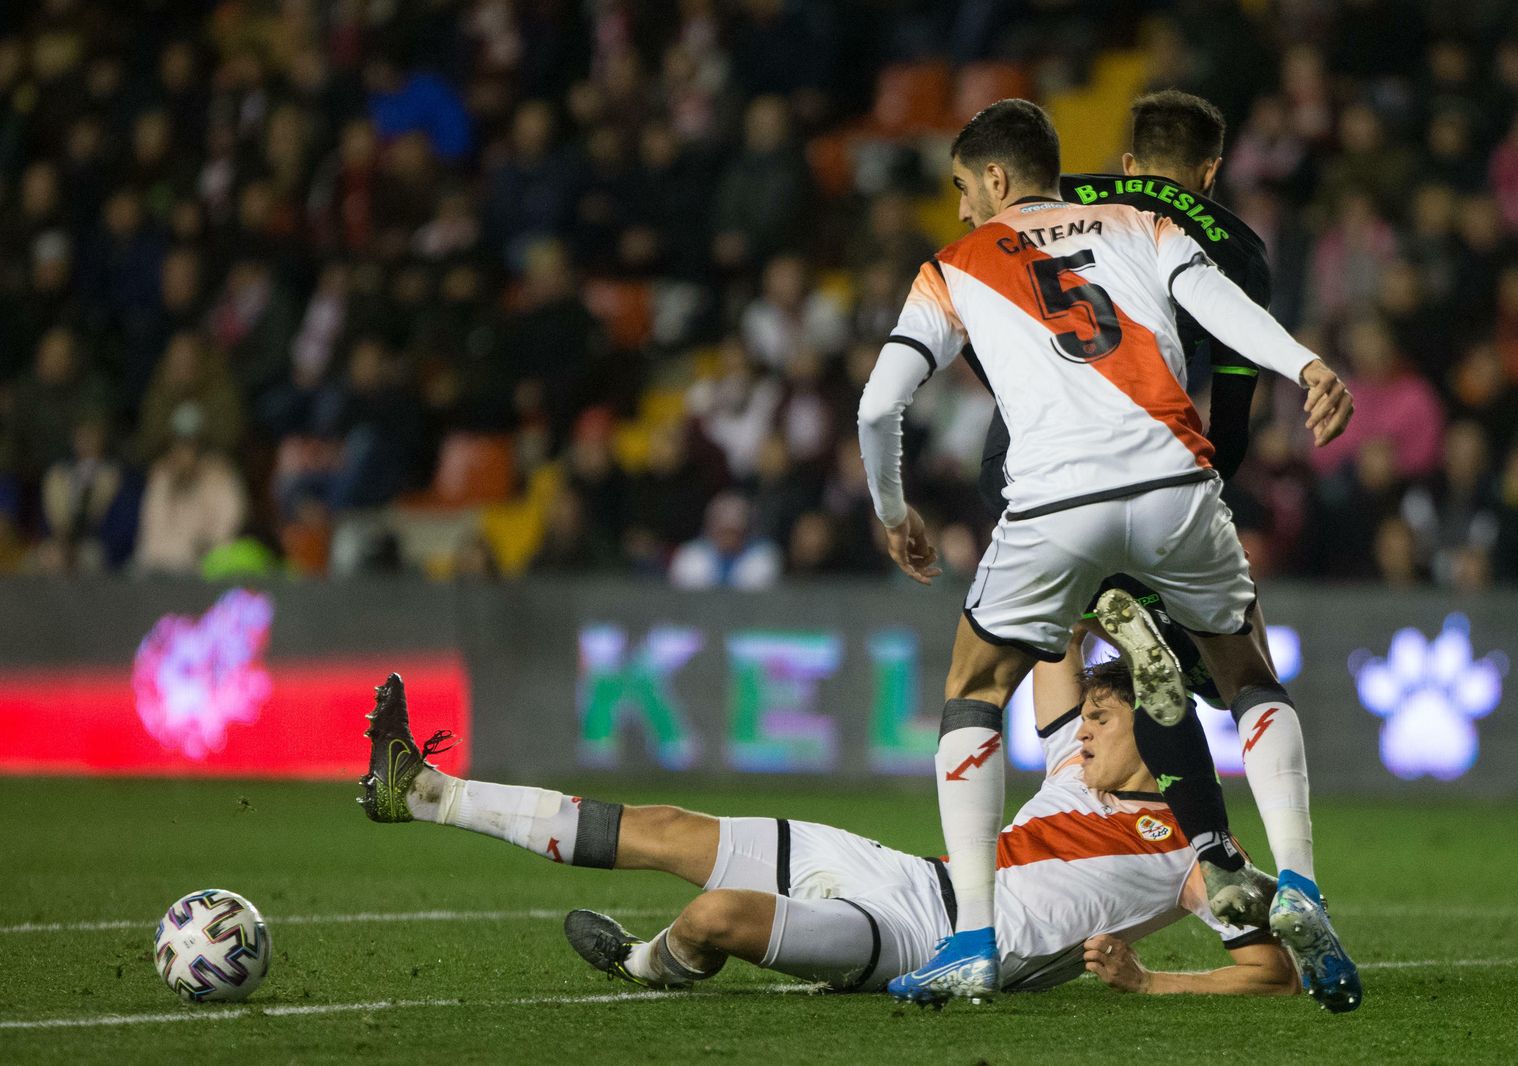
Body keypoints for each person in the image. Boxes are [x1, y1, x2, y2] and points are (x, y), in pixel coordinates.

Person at [855, 98, 1357, 1008]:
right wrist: (1309, 366)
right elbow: (1227, 310)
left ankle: (973, 938)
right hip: (1174, 482)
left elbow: (876, 408)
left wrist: (894, 510)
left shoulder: (956, 262)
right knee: (1247, 675)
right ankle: (1302, 885)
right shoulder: (1142, 222)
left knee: (975, 688)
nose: (964, 208)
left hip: (1052, 496)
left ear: (998, 179)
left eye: (966, 187)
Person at [355, 647, 1299, 999]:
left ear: (1155, 723)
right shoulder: (1072, 765)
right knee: (668, 826)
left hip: (916, 939)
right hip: (894, 867)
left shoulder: (1195, 845)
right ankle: (427, 793)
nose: (1080, 729)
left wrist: (1149, 981)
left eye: (1102, 715)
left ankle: (650, 965)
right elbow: (1053, 638)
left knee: (715, 918)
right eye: (1084, 715)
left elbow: (1274, 972)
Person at [979, 92, 1337, 957]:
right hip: (1160, 467)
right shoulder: (1237, 250)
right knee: (1234, 670)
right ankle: (1279, 868)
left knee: (1004, 673)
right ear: (1212, 173)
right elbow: (1237, 418)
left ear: (1130, 162)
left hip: (1035, 462)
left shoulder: (1070, 201)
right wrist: (1195, 507)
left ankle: (1206, 838)